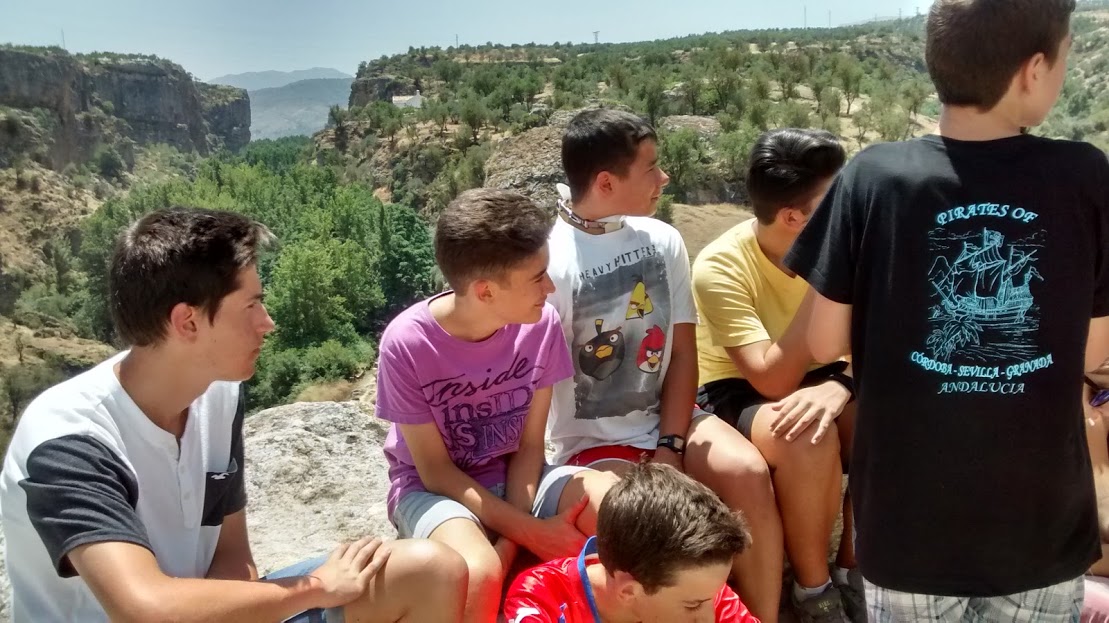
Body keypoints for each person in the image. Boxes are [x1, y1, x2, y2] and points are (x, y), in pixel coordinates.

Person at [783, 0, 1109, 619]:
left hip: (908, 527)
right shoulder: (1085, 175)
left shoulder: (872, 176)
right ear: (1033, 70)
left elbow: (824, 344)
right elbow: (1092, 352)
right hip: (1038, 524)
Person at [0, 206, 468, 623]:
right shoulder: (69, 439)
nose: (268, 323)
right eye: (252, 305)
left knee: (432, 571)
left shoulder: (217, 394)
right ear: (187, 321)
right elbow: (144, 609)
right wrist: (316, 588)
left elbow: (232, 556)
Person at [545, 108, 782, 622]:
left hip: (674, 421)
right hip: (592, 443)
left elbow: (681, 353)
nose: (664, 177)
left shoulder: (662, 239)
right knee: (656, 533)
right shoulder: (550, 263)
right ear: (606, 182)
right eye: (651, 167)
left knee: (746, 471)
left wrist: (671, 446)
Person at [375, 188, 618, 623]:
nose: (550, 287)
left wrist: (514, 535)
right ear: (485, 291)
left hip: (519, 478)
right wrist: (527, 536)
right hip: (431, 491)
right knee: (480, 572)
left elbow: (530, 447)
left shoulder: (540, 325)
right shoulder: (407, 343)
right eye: (537, 278)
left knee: (618, 511)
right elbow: (434, 471)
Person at [692, 128, 857, 622]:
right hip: (740, 385)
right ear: (793, 218)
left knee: (893, 415)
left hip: (833, 372)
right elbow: (771, 381)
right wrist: (824, 275)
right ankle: (814, 591)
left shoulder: (857, 242)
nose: (851, 205)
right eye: (837, 197)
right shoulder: (720, 267)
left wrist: (841, 384)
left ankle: (855, 568)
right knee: (804, 433)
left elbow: (891, 338)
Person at [503, 461, 760, 623]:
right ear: (628, 592)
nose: (710, 618)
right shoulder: (541, 599)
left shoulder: (699, 586)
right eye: (692, 606)